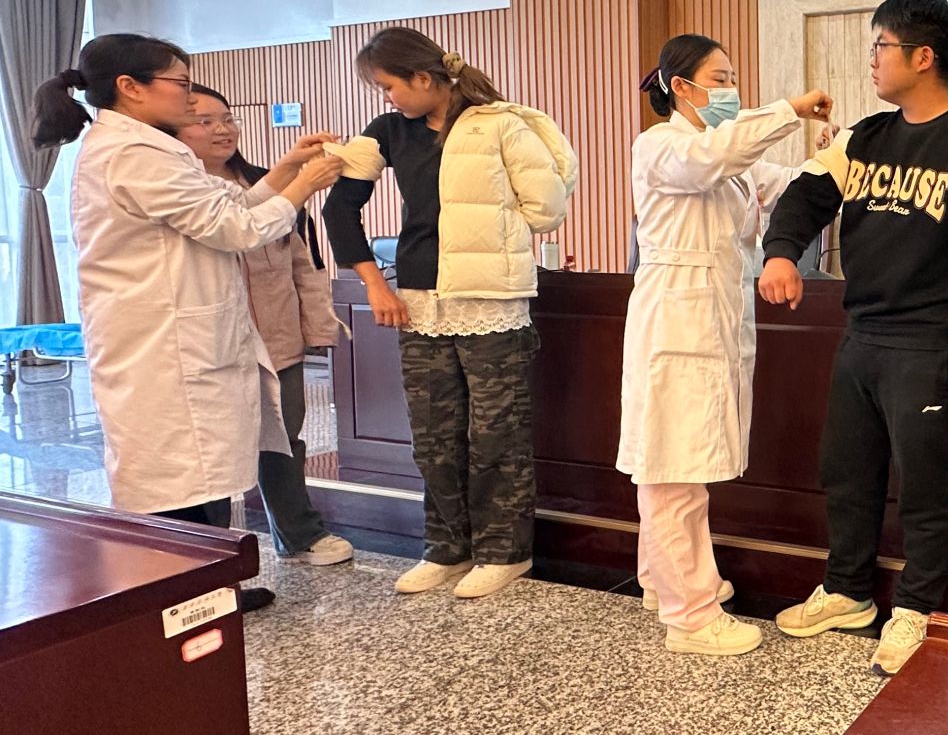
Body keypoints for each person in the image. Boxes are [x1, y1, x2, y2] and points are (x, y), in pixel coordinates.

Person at [30, 35, 345, 611]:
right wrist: (305, 187)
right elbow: (236, 231)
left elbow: (229, 206)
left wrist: (287, 170)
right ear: (130, 87)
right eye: (180, 83)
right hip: (160, 345)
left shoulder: (148, 148)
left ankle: (210, 594)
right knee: (177, 483)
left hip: (178, 339)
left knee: (203, 476)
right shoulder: (133, 154)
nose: (191, 97)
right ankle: (185, 603)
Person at [760, 0, 948, 675]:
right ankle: (848, 591)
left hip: (931, 346)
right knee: (847, 473)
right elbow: (804, 196)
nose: (871, 59)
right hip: (862, 338)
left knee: (926, 486)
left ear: (923, 56)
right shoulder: (864, 137)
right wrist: (781, 252)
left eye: (880, 45)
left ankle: (915, 608)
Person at [321, 30, 578, 600]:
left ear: (423, 77)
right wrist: (374, 286)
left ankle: (505, 552)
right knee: (432, 436)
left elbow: (546, 209)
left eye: (388, 86)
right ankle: (445, 548)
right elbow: (339, 211)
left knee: (496, 434)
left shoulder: (501, 124)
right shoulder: (388, 131)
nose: (386, 98)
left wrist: (492, 228)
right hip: (418, 301)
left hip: (492, 300)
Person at [618, 34, 833, 657]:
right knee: (672, 469)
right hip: (674, 319)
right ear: (680, 86)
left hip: (711, 316)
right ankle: (691, 616)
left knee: (679, 463)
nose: (731, 90)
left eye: (733, 78)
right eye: (720, 79)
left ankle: (663, 581)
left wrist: (830, 156)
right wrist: (791, 110)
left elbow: (787, 183)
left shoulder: (726, 160)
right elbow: (716, 155)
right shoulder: (661, 146)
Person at [176, 85, 353, 568]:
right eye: (205, 121)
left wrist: (316, 328)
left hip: (276, 337)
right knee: (213, 448)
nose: (223, 130)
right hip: (214, 344)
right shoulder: (181, 190)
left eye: (227, 118)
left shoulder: (262, 183)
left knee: (285, 440)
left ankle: (299, 534)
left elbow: (303, 264)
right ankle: (211, 553)